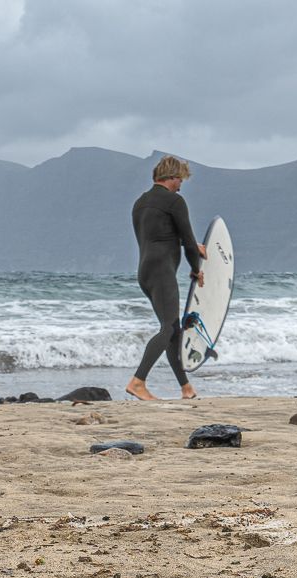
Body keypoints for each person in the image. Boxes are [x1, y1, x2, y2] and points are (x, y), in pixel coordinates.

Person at [126, 155, 207, 401]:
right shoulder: (174, 201)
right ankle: (138, 382)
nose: (181, 185)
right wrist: (196, 268)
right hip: (162, 270)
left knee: (172, 330)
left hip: (145, 271)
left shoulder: (140, 203)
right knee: (169, 327)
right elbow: (187, 240)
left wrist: (191, 244)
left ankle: (186, 388)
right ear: (172, 178)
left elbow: (161, 234)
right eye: (180, 179)